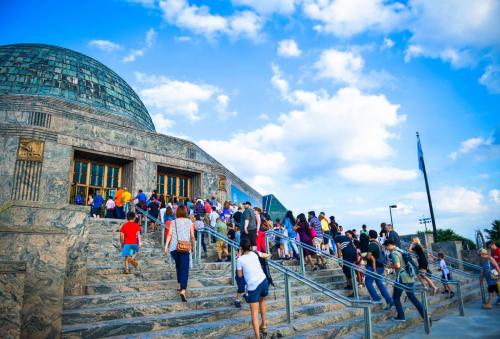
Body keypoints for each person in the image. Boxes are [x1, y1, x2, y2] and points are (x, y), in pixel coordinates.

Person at [384, 239, 425, 322]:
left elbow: (398, 265)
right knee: (413, 298)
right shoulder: (401, 250)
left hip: (401, 278)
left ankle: (401, 316)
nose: (386, 249)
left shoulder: (394, 253)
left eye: (386, 247)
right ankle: (425, 316)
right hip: (409, 277)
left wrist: (390, 266)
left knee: (396, 297)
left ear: (389, 245)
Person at [237, 238, 269, 339]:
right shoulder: (255, 253)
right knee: (262, 302)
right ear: (250, 246)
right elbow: (267, 254)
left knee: (254, 314)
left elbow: (240, 275)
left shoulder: (240, 259)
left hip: (253, 286)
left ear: (241, 248)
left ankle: (257, 337)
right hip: (263, 281)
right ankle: (264, 325)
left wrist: (239, 257)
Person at [164, 205, 195, 302]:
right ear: (185, 212)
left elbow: (169, 234)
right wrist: (193, 247)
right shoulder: (189, 222)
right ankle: (183, 290)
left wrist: (166, 246)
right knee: (184, 269)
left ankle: (180, 283)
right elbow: (192, 236)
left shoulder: (173, 222)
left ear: (177, 212)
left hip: (174, 248)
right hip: (185, 248)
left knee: (178, 265)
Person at [365, 230, 394, 309]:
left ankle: (376, 298)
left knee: (368, 282)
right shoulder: (378, 243)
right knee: (380, 284)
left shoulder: (372, 244)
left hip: (373, 267)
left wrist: (363, 257)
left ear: (369, 236)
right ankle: (389, 300)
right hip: (380, 266)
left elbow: (368, 256)